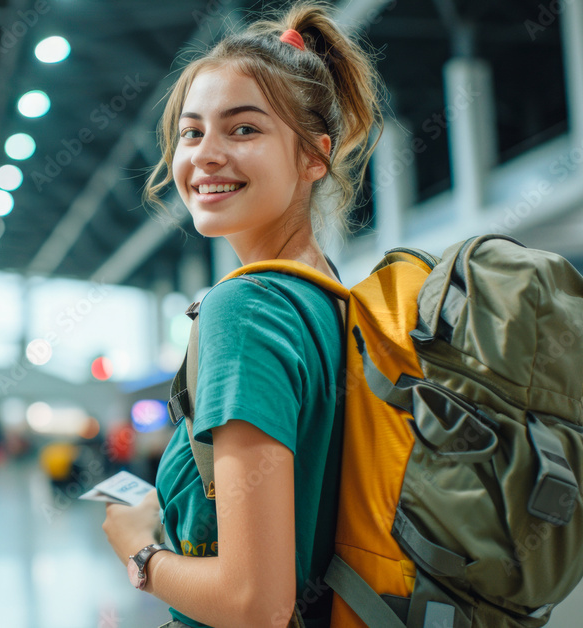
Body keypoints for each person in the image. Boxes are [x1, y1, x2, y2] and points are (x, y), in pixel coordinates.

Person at [101, 2, 382, 627]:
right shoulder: (331, 298)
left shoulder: (246, 308)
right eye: (192, 132)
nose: (204, 155)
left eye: (244, 129)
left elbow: (255, 602)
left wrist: (138, 551)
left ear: (315, 157)